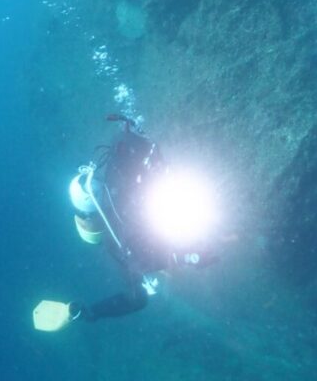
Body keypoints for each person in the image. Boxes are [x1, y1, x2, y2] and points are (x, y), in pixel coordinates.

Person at [32, 115, 219, 331]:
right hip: (186, 175)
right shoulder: (115, 168)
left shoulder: (119, 236)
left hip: (187, 193)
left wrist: (90, 313)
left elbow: (137, 298)